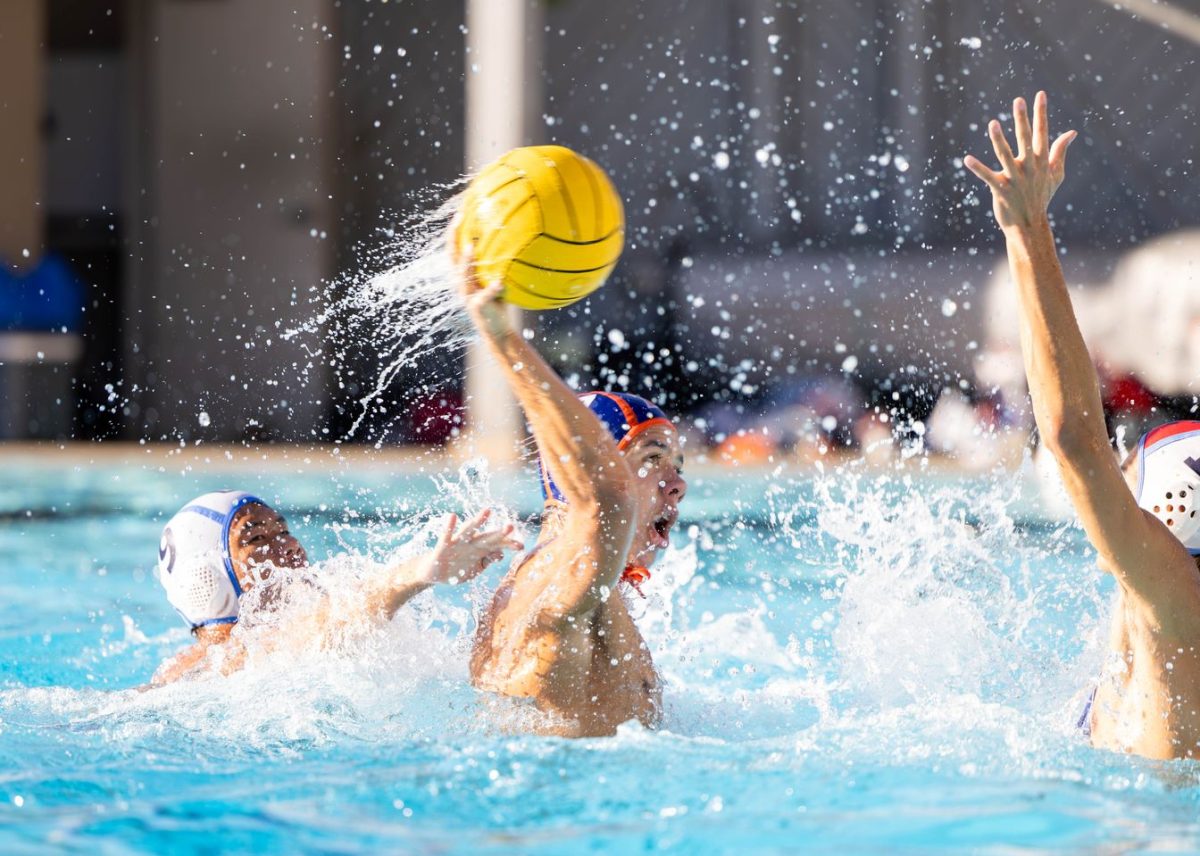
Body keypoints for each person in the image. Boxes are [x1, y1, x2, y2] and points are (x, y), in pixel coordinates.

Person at [966, 91, 1200, 760]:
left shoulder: (1171, 601)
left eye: (1126, 484)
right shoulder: (1161, 612)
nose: (1111, 488)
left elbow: (1072, 439)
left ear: (1161, 521)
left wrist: (1026, 231)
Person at [460, 262, 687, 737]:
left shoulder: (583, 583)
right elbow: (607, 499)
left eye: (678, 465)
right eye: (652, 457)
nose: (676, 483)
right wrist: (505, 342)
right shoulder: (559, 571)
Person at [152, 490, 521, 686]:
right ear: (209, 579)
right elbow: (342, 618)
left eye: (284, 531)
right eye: (257, 538)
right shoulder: (241, 656)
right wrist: (423, 571)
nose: (291, 547)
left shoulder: (177, 671)